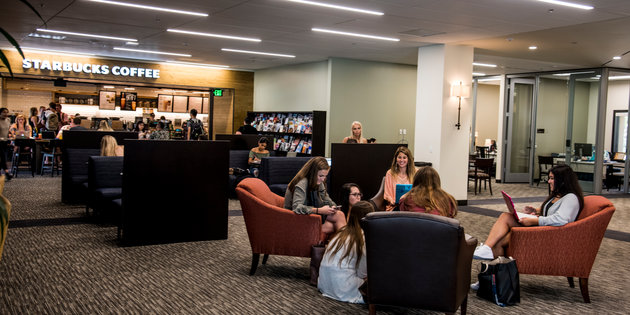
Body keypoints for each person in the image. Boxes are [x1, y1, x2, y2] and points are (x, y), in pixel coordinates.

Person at [473, 164, 584, 260]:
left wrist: (534, 221)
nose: (549, 181)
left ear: (563, 181)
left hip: (550, 235)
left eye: (552, 178)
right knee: (505, 218)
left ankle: (492, 273)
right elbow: (554, 211)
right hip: (544, 229)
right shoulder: (558, 194)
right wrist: (536, 211)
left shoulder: (571, 198)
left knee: (499, 239)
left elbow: (561, 219)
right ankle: (489, 267)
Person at [317, 201, 373, 304]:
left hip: (324, 285)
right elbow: (362, 273)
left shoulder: (341, 233)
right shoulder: (363, 238)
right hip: (343, 289)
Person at [284, 156, 346, 234]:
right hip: (295, 220)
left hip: (309, 216)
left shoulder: (317, 181)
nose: (323, 179)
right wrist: (319, 210)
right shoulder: (302, 183)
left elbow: (326, 198)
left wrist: (333, 206)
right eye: (321, 176)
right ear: (312, 173)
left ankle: (343, 244)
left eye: (325, 176)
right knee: (335, 223)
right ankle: (346, 244)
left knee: (339, 215)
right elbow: (296, 208)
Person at [383, 146, 416, 211]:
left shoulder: (416, 172)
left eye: (404, 158)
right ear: (396, 159)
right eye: (399, 157)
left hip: (411, 207)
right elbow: (387, 194)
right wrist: (392, 201)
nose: (401, 160)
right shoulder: (390, 173)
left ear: (408, 159)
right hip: (395, 207)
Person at [0, 108, 11, 180]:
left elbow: (7, 130)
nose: (6, 114)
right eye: (4, 112)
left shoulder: (8, 120)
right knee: (3, 156)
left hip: (5, 141)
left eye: (7, 112)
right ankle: (6, 172)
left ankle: (4, 172)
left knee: (3, 156)